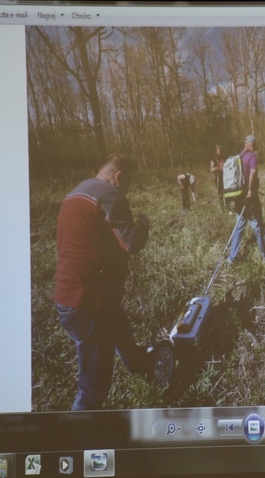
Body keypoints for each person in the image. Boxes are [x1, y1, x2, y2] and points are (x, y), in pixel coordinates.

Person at [54, 153, 151, 410]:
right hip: (89, 302)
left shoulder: (76, 192)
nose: (127, 190)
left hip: (68, 296)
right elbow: (132, 243)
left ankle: (142, 366)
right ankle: (80, 439)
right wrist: (144, 226)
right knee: (93, 389)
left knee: (119, 326)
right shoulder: (109, 194)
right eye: (128, 183)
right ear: (118, 177)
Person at [228, 135, 265, 264]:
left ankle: (231, 259)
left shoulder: (239, 156)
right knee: (257, 226)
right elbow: (252, 172)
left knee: (239, 227)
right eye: (254, 143)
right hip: (250, 197)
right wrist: (251, 189)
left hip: (238, 196)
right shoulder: (252, 156)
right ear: (252, 144)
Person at [210, 145, 225, 210]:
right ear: (216, 150)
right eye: (218, 149)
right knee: (220, 192)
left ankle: (227, 206)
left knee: (226, 190)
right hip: (218, 176)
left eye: (220, 149)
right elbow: (211, 169)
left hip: (224, 176)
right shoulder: (213, 158)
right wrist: (217, 168)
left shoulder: (223, 157)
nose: (219, 151)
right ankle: (222, 208)